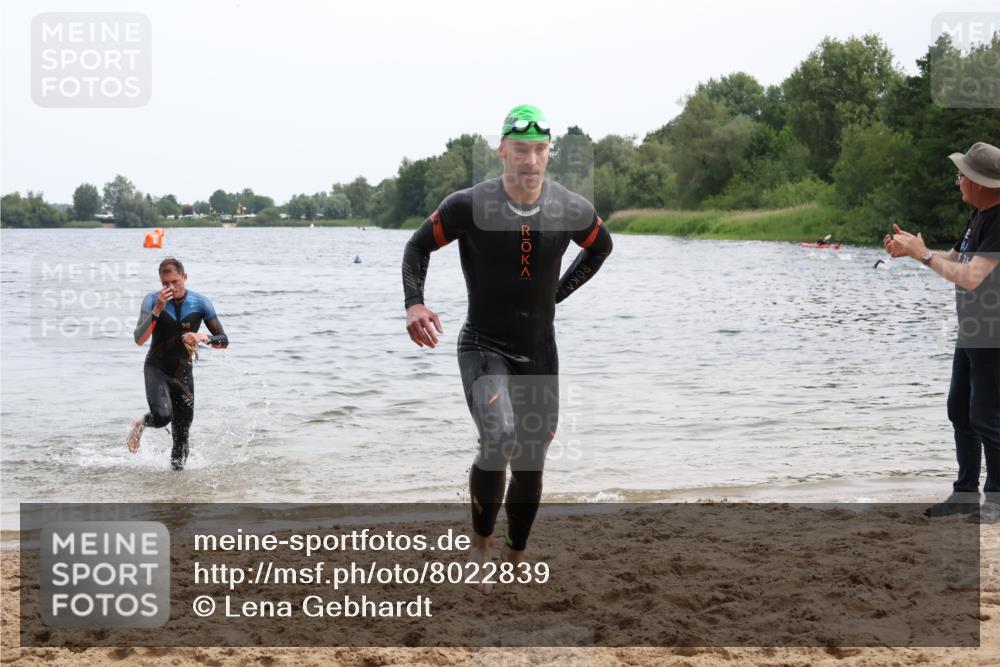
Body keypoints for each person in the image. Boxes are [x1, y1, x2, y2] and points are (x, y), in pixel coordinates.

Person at [401, 104, 613, 592]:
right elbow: (417, 247)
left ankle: (515, 553)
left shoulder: (570, 208)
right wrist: (415, 303)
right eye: (520, 149)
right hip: (484, 344)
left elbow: (600, 247)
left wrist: (557, 293)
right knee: (498, 438)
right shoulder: (469, 205)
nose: (530, 160)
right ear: (501, 151)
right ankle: (481, 545)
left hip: (539, 351)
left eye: (539, 150)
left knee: (531, 462)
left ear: (549, 153)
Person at [885, 141, 1000, 521]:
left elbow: (971, 276)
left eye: (961, 176)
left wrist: (923, 255)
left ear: (980, 182)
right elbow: (955, 258)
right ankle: (965, 493)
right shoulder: (980, 215)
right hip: (973, 331)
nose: (957, 182)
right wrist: (914, 250)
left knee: (986, 417)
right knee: (959, 410)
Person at [127, 257, 229, 470]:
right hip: (156, 368)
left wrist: (203, 337)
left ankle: (176, 483)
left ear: (185, 277)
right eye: (165, 283)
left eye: (175, 282)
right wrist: (157, 309)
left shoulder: (201, 303)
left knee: (182, 434)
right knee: (162, 417)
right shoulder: (151, 301)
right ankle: (140, 422)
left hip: (183, 373)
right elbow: (139, 339)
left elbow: (224, 341)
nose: (171, 288)